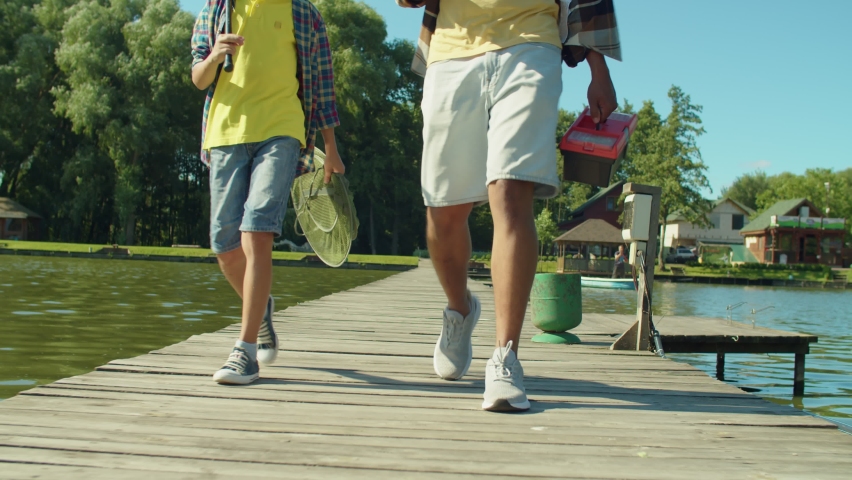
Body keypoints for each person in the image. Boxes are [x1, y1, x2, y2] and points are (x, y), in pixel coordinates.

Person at [398, 0, 620, 411]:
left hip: (531, 42)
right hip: (452, 50)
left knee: (511, 193)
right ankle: (460, 308)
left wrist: (598, 68)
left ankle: (505, 357)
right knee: (443, 209)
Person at [191, 0, 343, 385]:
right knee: (224, 244)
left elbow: (322, 89)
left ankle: (244, 352)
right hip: (225, 134)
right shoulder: (216, 7)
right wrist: (214, 57)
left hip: (283, 128)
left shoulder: (304, 14)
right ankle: (259, 310)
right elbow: (197, 77)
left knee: (256, 229)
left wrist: (332, 149)